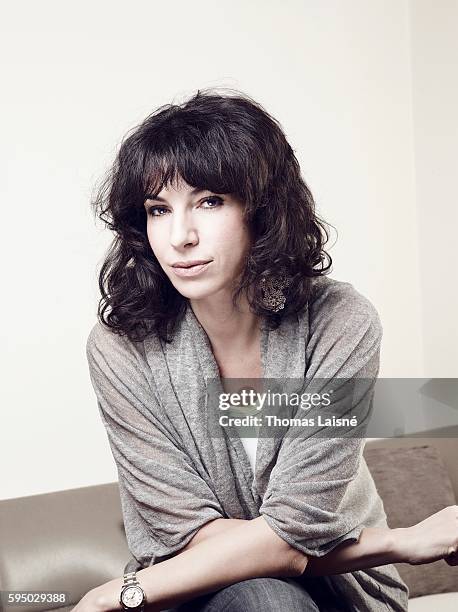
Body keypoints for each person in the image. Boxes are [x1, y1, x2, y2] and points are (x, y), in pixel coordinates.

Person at [78, 89, 458, 612]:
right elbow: (189, 537)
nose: (180, 236)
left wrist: (110, 597)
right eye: (158, 209)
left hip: (344, 593)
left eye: (209, 201)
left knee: (266, 595)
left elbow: (296, 530)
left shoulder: (338, 322)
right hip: (190, 593)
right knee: (263, 593)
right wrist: (395, 542)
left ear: (261, 210)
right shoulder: (122, 349)